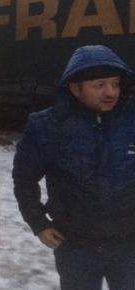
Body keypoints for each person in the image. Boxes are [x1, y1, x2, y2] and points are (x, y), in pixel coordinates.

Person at [13, 45, 135, 290]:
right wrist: (39, 223)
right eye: (99, 85)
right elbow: (24, 179)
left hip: (128, 244)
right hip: (75, 246)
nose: (110, 92)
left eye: (115, 83)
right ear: (74, 88)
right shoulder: (47, 127)